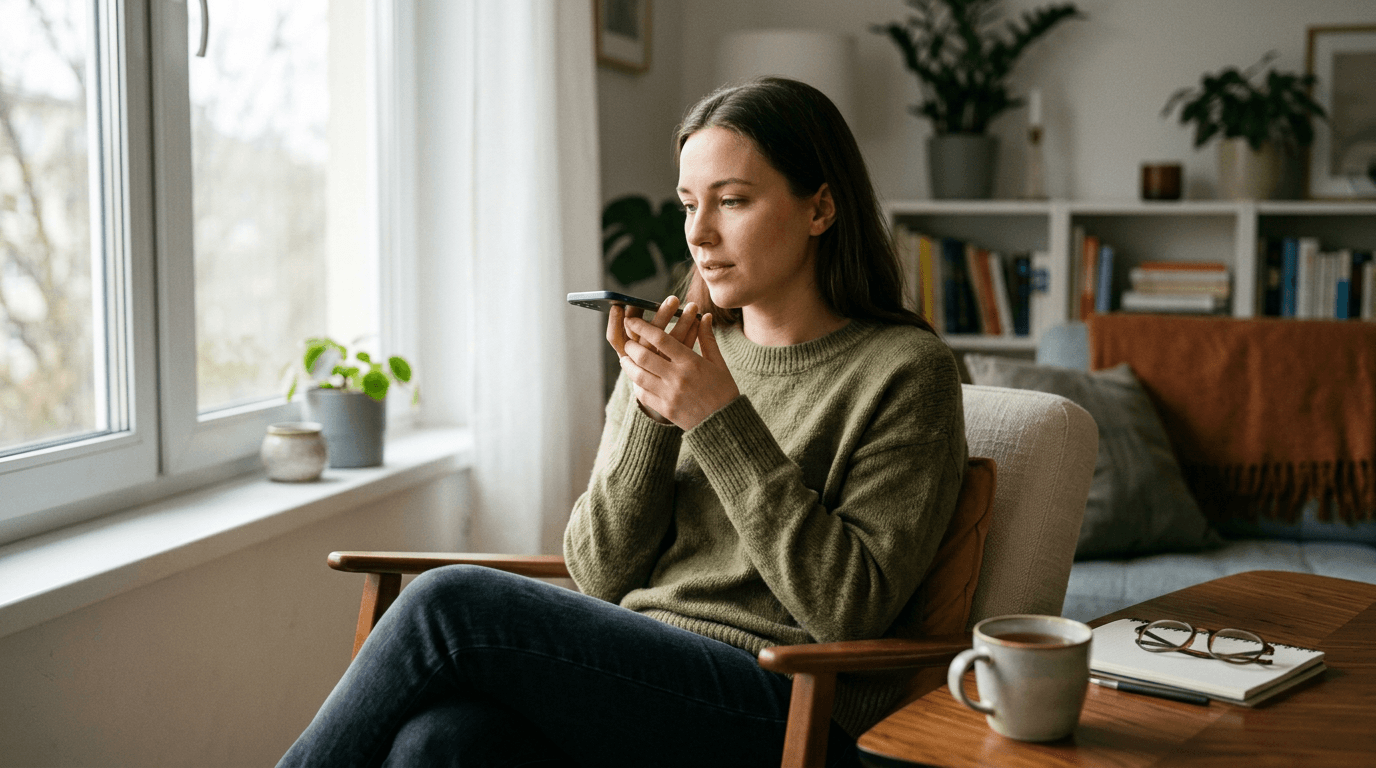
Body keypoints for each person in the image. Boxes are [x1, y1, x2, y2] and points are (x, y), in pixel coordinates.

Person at [278, 77, 966, 768]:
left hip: (786, 701)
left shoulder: (907, 372)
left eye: (732, 201)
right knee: (441, 742)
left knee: (449, 602)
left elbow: (850, 608)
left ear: (820, 208)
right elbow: (600, 575)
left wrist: (719, 419)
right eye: (690, 204)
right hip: (641, 675)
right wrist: (650, 413)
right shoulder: (684, 352)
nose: (699, 233)